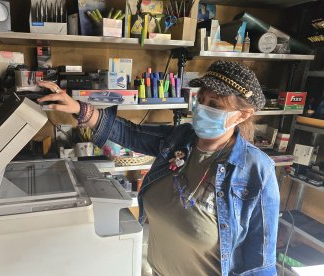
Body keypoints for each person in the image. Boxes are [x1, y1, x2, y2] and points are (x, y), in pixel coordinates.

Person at [37, 60, 280, 276]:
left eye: (214, 104)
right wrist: (79, 109)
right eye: (201, 99)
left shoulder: (257, 170)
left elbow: (259, 263)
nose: (201, 108)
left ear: (242, 115)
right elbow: (130, 133)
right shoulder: (181, 138)